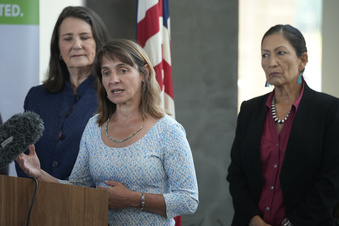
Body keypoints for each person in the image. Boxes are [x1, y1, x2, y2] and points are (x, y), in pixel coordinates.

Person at [17, 39, 199, 225]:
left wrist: (133, 199)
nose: (113, 79)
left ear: (143, 73)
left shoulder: (168, 130)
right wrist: (39, 174)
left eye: (123, 70)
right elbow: (78, 188)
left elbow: (188, 200)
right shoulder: (94, 126)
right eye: (106, 72)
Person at [227, 24, 339, 226]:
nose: (271, 62)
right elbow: (236, 174)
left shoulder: (329, 110)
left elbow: (332, 180)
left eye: (280, 53)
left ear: (302, 60)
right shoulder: (249, 110)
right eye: (265, 55)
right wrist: (253, 220)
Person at [15, 6, 109, 180]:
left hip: (88, 202)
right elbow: (23, 155)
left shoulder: (112, 96)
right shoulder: (36, 97)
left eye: (85, 37)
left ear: (98, 44)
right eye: (67, 38)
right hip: (34, 199)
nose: (76, 45)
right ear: (58, 48)